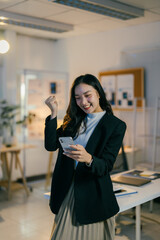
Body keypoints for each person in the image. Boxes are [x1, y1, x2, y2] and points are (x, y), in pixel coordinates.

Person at [44, 74, 126, 240]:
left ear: (98, 93)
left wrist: (89, 158)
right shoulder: (74, 120)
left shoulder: (115, 126)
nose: (83, 102)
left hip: (93, 194)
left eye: (88, 95)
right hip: (67, 189)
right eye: (78, 98)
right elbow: (51, 145)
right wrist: (53, 113)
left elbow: (106, 165)